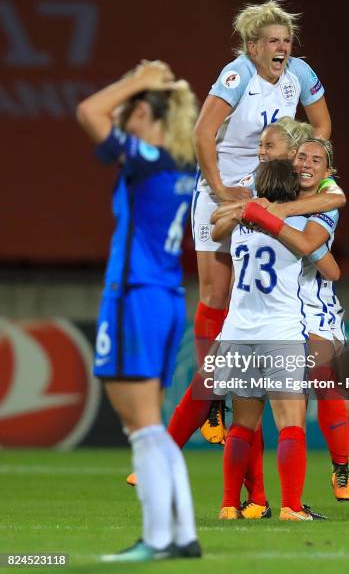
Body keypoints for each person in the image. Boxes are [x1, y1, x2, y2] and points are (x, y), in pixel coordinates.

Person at [167, 0, 334, 448]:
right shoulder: (237, 76)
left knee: (255, 290)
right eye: (272, 41)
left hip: (266, 180)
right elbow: (203, 132)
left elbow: (321, 124)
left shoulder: (299, 72)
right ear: (252, 47)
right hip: (221, 183)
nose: (282, 48)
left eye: (286, 40)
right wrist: (221, 190)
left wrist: (298, 166)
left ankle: (247, 397)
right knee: (215, 293)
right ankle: (213, 400)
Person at [76, 60, 202, 561]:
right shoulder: (184, 165)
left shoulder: (149, 159)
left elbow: (89, 111)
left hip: (134, 295)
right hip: (166, 297)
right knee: (151, 423)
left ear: (148, 116)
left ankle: (156, 540)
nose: (124, 119)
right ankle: (183, 534)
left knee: (143, 425)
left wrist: (139, 82)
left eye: (132, 112)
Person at [244, 138, 349, 522]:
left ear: (327, 172)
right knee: (270, 407)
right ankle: (264, 499)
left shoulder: (326, 197)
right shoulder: (273, 186)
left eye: (316, 159)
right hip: (276, 310)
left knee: (341, 397)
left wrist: (273, 217)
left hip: (317, 310)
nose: (307, 163)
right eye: (301, 156)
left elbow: (328, 264)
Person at [212, 158, 339, 521]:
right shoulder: (298, 224)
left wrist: (243, 210)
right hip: (280, 334)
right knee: (291, 423)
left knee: (242, 425)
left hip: (237, 334)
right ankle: (291, 507)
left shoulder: (240, 225)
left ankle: (227, 506)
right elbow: (331, 270)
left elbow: (215, 225)